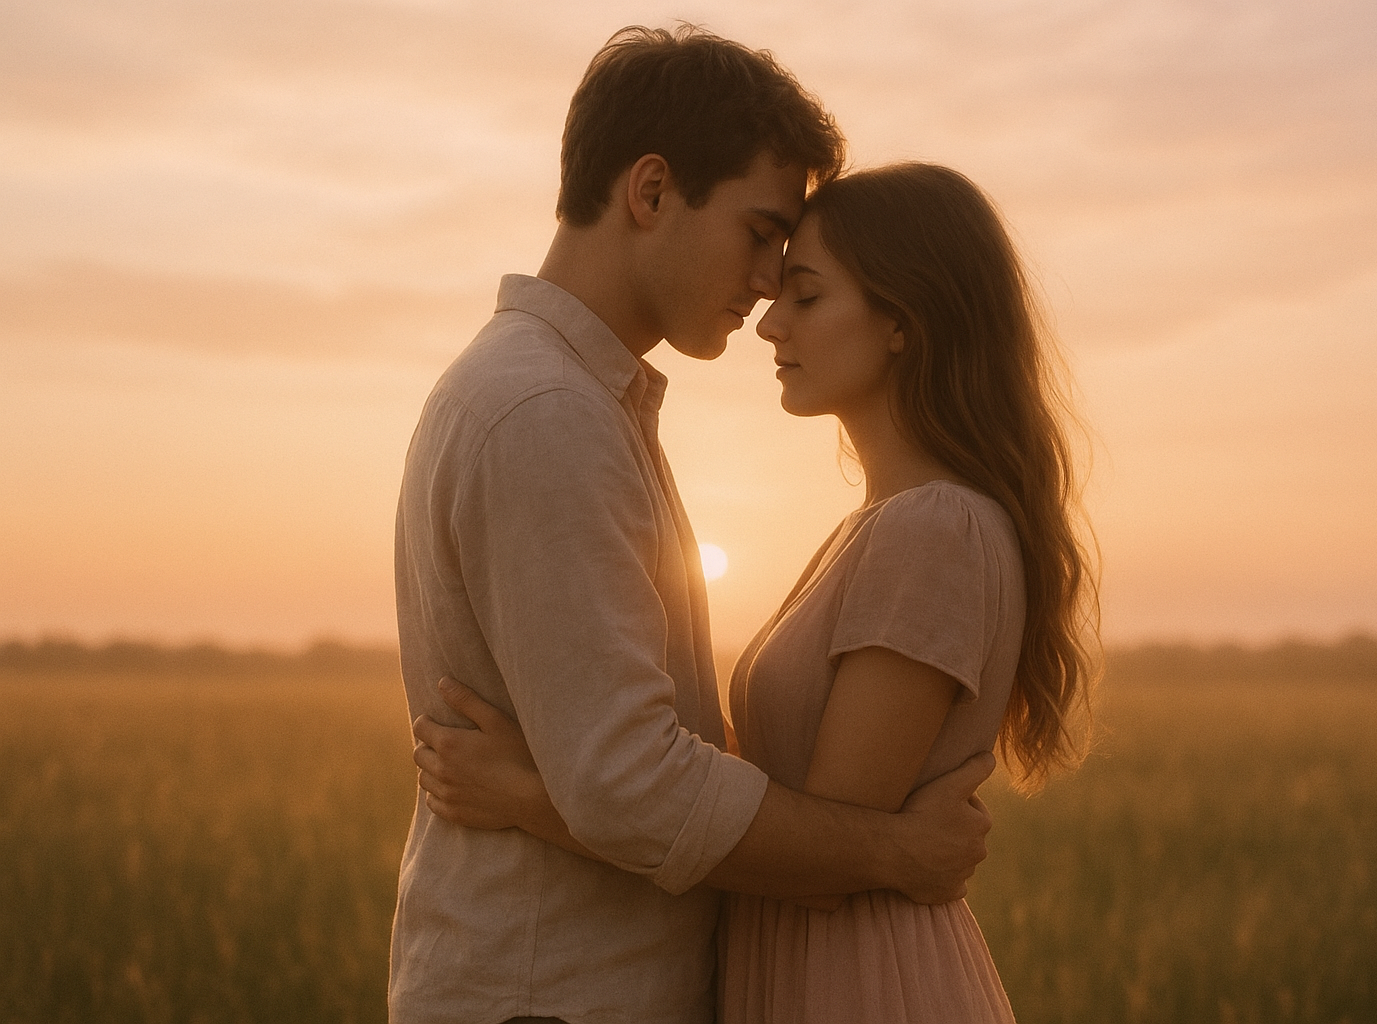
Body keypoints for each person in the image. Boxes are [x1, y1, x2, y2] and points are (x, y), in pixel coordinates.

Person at [391, 26, 998, 1024]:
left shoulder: (576, 400)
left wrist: (545, 790)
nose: (769, 281)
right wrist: (895, 851)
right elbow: (630, 781)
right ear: (651, 192)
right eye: (761, 232)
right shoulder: (546, 412)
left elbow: (630, 762)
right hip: (558, 998)